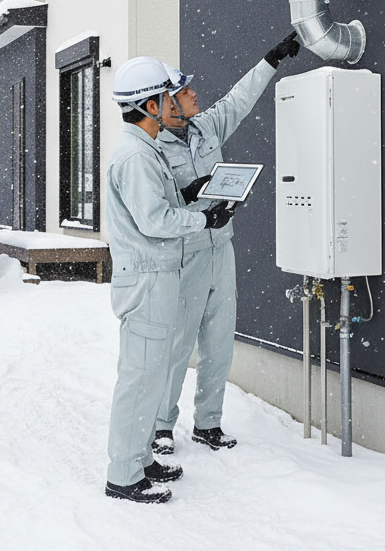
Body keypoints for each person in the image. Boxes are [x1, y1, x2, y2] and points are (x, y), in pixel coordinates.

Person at [151, 32, 300, 457]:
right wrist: (190, 198)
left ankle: (208, 423)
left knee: (219, 342)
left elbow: (241, 97)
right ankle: (162, 425)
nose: (194, 94)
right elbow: (156, 206)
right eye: (185, 91)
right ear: (166, 105)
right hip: (188, 254)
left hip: (223, 250)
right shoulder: (153, 150)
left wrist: (271, 59)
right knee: (180, 343)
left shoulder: (207, 126)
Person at [104, 56, 234, 505]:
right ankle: (123, 474)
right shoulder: (136, 155)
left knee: (152, 373)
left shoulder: (147, 150)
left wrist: (191, 194)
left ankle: (140, 460)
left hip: (158, 277)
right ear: (149, 104)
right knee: (140, 377)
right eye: (165, 96)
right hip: (147, 279)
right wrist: (203, 218)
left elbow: (161, 202)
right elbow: (154, 219)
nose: (171, 102)